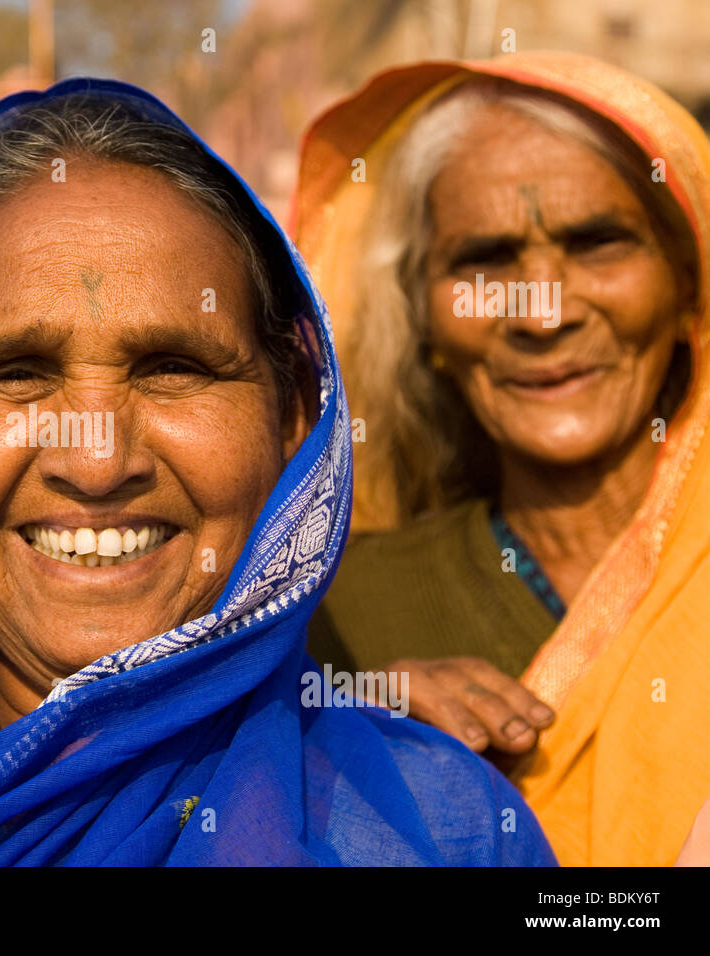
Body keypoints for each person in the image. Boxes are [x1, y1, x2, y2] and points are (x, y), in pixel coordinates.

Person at [0, 80, 554, 867]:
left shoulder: (444, 831)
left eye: (174, 368)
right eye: (15, 374)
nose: (96, 462)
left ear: (294, 419)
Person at [295, 52, 710, 865]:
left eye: (599, 243)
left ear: (688, 289)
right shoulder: (335, 607)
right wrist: (342, 722)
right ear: (427, 320)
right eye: (485, 260)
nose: (543, 312)